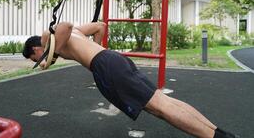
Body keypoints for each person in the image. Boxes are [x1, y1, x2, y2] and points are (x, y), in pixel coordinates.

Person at [23, 22, 238, 138]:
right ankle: (218, 132)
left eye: (36, 57)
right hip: (112, 58)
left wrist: (49, 57)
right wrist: (97, 49)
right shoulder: (78, 33)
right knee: (163, 104)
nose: (42, 60)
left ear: (36, 49)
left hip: (106, 66)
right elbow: (100, 25)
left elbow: (65, 26)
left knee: (161, 108)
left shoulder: (47, 38)